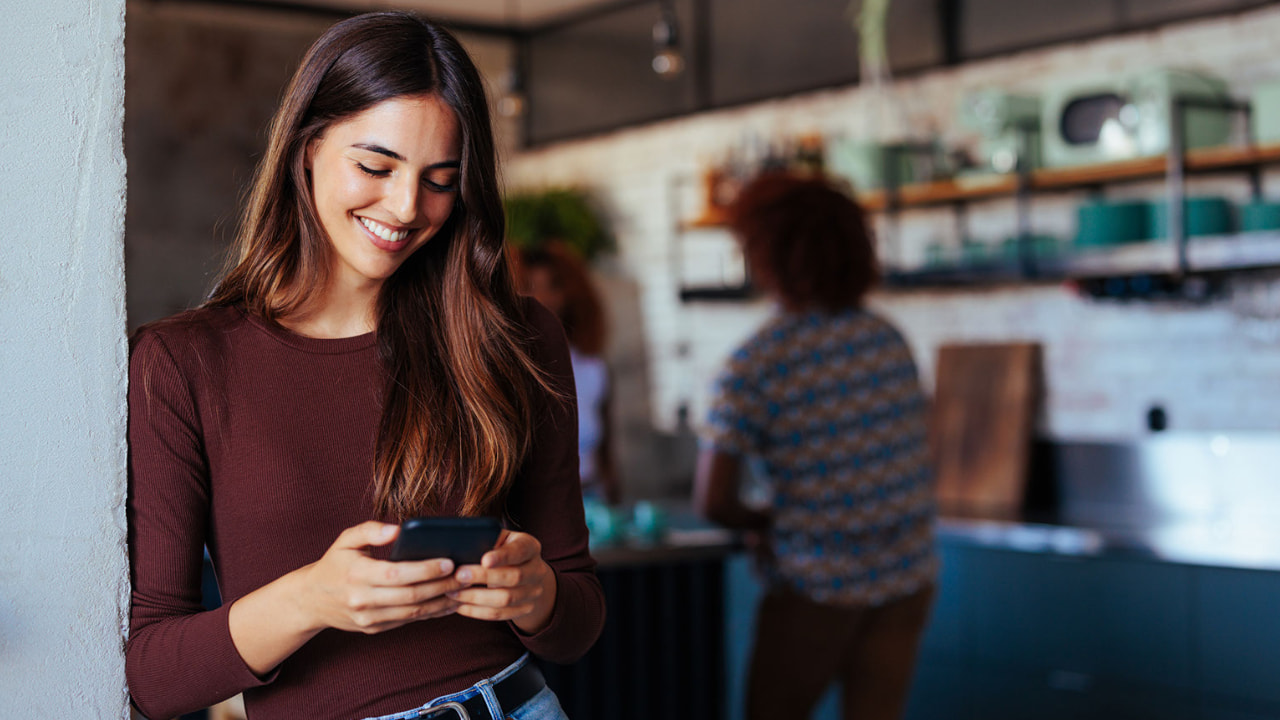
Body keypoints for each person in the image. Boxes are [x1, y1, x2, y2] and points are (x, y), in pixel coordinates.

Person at [126, 13, 603, 720]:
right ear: (309, 147)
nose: (408, 208)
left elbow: (577, 618)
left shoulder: (515, 336)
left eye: (440, 179)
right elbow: (154, 677)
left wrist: (536, 596)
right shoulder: (184, 362)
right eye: (376, 167)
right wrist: (313, 598)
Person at [694, 172, 937, 720]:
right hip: (908, 575)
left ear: (767, 254)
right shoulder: (886, 337)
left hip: (817, 585)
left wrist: (762, 520)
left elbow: (712, 500)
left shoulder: (756, 363)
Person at [513, 243, 619, 504]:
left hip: (590, 501)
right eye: (530, 287)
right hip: (533, 507)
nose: (543, 299)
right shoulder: (508, 368)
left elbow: (607, 452)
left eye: (553, 287)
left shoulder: (593, 367)